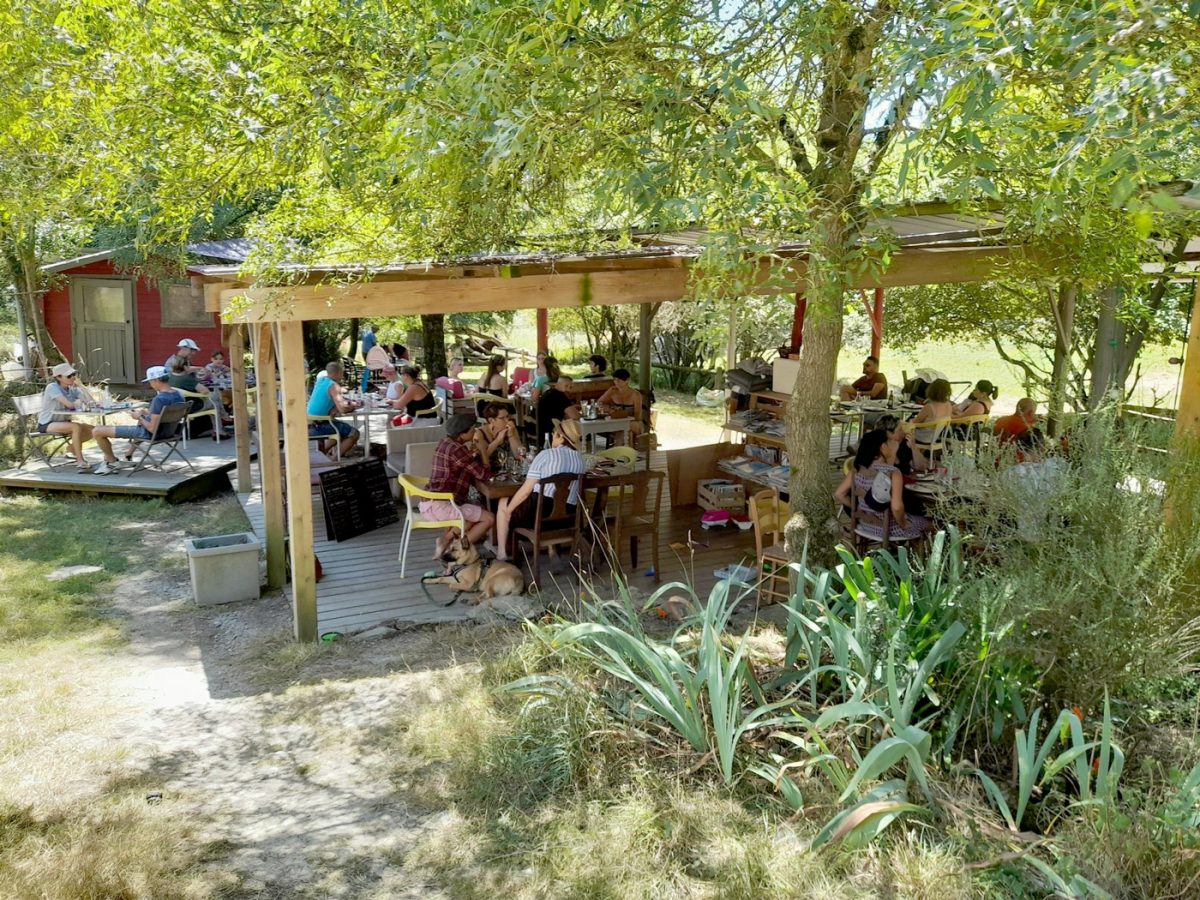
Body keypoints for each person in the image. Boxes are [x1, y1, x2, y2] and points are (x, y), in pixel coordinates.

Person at [495, 419, 587, 561]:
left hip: (538, 516)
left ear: (560, 436)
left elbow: (526, 490)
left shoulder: (546, 455)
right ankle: (552, 549)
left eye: (554, 433)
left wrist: (508, 511)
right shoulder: (580, 459)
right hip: (568, 517)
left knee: (503, 503)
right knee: (547, 500)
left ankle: (502, 554)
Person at [834, 429, 930, 544]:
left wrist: (860, 510)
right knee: (934, 524)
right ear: (883, 447)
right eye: (890, 441)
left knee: (914, 520)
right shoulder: (893, 473)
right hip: (891, 528)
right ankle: (916, 558)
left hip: (865, 526)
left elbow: (839, 494)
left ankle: (908, 554)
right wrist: (903, 523)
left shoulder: (857, 469)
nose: (893, 443)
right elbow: (897, 507)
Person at [91, 366, 186, 475]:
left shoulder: (159, 399)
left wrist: (138, 417)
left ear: (156, 380)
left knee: (97, 431)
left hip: (153, 434)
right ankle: (128, 454)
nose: (150, 384)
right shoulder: (179, 395)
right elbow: (164, 415)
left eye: (150, 381)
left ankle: (111, 462)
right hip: (170, 432)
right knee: (143, 418)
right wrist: (146, 413)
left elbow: (151, 428)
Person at [425, 413, 496, 556]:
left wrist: (473, 453)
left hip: (430, 502)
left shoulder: (445, 442)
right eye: (472, 430)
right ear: (462, 435)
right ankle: (456, 551)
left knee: (475, 511)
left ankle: (446, 541)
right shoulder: (458, 450)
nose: (476, 432)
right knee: (489, 519)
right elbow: (484, 475)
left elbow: (462, 462)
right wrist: (483, 449)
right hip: (443, 505)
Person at [37, 362, 98, 471]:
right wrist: (78, 403)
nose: (73, 378)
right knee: (76, 427)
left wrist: (81, 386)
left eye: (74, 374)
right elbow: (70, 405)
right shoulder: (52, 387)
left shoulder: (72, 388)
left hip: (64, 422)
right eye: (69, 376)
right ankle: (80, 461)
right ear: (59, 377)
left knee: (94, 430)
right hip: (47, 423)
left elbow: (91, 402)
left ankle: (71, 448)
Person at [307, 361, 361, 458]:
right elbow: (343, 409)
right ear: (338, 373)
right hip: (321, 424)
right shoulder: (334, 386)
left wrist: (335, 407)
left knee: (340, 432)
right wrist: (354, 405)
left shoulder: (321, 381)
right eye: (342, 373)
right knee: (354, 433)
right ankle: (335, 459)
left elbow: (326, 400)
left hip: (311, 422)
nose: (342, 376)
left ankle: (322, 455)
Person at [598, 367, 644, 438]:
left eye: (619, 380)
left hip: (633, 423)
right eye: (615, 380)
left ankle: (620, 448)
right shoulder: (612, 391)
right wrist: (608, 409)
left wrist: (622, 416)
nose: (616, 382)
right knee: (626, 433)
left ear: (627, 380)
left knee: (624, 428)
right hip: (617, 423)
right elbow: (599, 402)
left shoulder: (636, 395)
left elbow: (637, 417)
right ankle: (626, 448)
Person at [536, 374, 581, 447]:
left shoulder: (549, 392)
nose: (568, 389)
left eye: (571, 387)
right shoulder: (560, 396)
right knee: (576, 430)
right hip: (552, 436)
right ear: (557, 385)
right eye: (566, 386)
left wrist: (571, 408)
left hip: (541, 433)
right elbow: (575, 416)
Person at [907, 378, 953, 444]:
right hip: (934, 438)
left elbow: (914, 422)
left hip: (921, 438)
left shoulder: (930, 407)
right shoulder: (948, 405)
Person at [480, 402, 526, 466]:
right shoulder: (480, 434)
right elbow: (481, 459)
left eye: (507, 416)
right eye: (502, 418)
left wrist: (511, 435)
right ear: (491, 420)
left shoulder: (511, 428)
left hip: (507, 469)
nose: (507, 420)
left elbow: (520, 456)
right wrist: (498, 440)